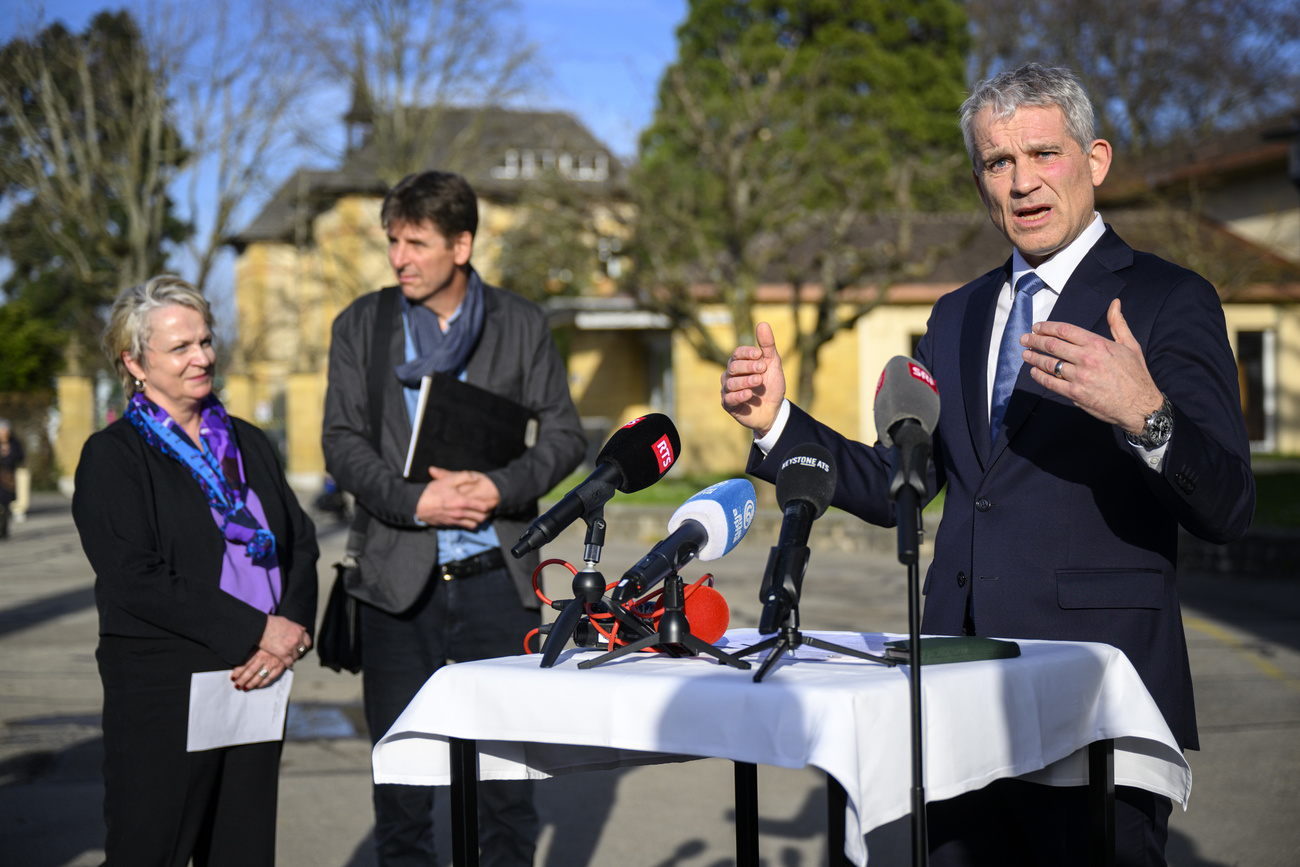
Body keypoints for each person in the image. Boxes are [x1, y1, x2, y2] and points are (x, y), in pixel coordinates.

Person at [720, 63, 1255, 866]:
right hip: (954, 696)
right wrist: (778, 425)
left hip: (1092, 702)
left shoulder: (1168, 298)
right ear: (980, 181)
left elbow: (1231, 505)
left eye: (1044, 154)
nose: (1024, 182)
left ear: (1096, 160)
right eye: (999, 163)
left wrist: (1146, 414)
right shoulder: (960, 311)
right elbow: (903, 479)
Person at [322, 170, 585, 867]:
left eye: (417, 242)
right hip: (394, 586)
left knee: (506, 784)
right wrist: (415, 502)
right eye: (393, 242)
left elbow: (565, 436)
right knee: (402, 786)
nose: (399, 257)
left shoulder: (520, 322)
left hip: (499, 582)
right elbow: (340, 442)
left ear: (462, 245)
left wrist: (500, 487)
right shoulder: (362, 323)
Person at [72, 276, 319, 867]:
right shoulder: (113, 457)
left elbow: (301, 543)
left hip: (259, 680)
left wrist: (288, 633)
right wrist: (259, 630)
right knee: (152, 848)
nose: (202, 358)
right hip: (166, 689)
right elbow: (136, 577)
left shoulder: (249, 442)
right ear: (135, 362)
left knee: (242, 849)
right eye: (180, 348)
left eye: (205, 341)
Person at [0, 419, 24, 539]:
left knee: (6, 505)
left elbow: (20, 457)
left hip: (9, 479)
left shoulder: (14, 443)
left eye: (5, 431)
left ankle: (4, 529)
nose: (4, 433)